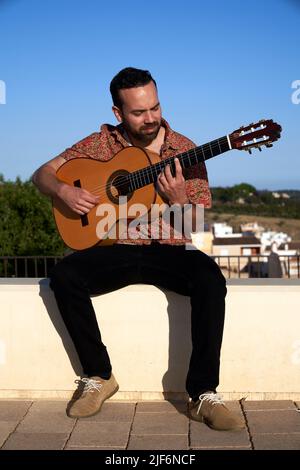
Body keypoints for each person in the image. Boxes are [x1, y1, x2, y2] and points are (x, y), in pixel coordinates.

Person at [32, 67, 244, 431]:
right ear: (118, 113)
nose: (150, 119)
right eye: (139, 112)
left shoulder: (187, 151)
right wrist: (64, 191)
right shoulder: (102, 145)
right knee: (64, 275)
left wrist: (180, 201)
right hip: (115, 245)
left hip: (170, 249)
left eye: (155, 108)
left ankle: (203, 393)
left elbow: (193, 227)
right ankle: (98, 376)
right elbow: (42, 173)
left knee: (210, 279)